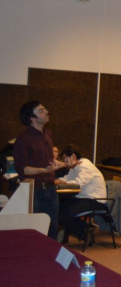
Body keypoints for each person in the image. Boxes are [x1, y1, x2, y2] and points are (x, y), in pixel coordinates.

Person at [14, 101, 65, 238]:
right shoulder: (24, 138)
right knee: (34, 230)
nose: (47, 112)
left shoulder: (47, 135)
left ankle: (50, 259)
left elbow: (49, 161)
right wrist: (44, 170)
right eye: (41, 110)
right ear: (32, 117)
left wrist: (66, 164)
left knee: (52, 228)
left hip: (50, 188)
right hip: (34, 190)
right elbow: (23, 169)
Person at [55, 144, 107, 242]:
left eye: (66, 160)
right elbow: (68, 178)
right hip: (83, 198)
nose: (65, 163)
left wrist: (61, 182)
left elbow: (78, 184)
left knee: (65, 214)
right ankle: (67, 236)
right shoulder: (76, 166)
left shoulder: (85, 166)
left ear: (73, 157)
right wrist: (58, 180)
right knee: (59, 208)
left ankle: (85, 230)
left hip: (95, 200)